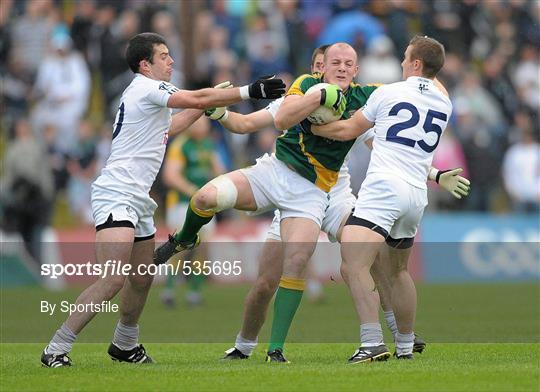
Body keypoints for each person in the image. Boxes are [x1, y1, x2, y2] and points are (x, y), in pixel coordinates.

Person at [40, 32, 286, 368]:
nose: (171, 61)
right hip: (117, 192)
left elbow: (173, 125)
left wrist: (210, 102)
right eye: (164, 56)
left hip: (137, 197)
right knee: (113, 278)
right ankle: (57, 346)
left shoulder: (149, 97)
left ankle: (125, 344)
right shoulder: (146, 87)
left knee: (141, 277)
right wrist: (247, 92)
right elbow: (193, 98)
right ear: (146, 64)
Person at [210, 46, 468, 363]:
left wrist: (434, 173)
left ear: (354, 70)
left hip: (337, 194)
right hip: (295, 192)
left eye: (346, 64)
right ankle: (244, 345)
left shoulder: (357, 101)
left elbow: (383, 142)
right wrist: (220, 111)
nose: (337, 70)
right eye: (328, 65)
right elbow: (246, 124)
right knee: (266, 282)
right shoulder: (296, 98)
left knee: (368, 257)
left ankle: (395, 332)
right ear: (316, 70)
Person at [311, 35, 455, 362]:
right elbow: (435, 76)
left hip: (385, 188)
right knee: (400, 272)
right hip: (416, 194)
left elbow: (348, 130)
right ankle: (405, 345)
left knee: (353, 263)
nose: (402, 62)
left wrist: (313, 128)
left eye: (406, 57)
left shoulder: (388, 92)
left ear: (416, 64)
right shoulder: (444, 102)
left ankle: (371, 341)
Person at [160, 116, 224, 307]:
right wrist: (192, 191)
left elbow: (219, 170)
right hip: (181, 203)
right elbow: (170, 176)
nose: (203, 125)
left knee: (203, 247)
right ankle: (169, 289)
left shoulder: (208, 145)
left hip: (204, 205)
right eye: (199, 121)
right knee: (180, 246)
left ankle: (194, 292)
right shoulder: (180, 145)